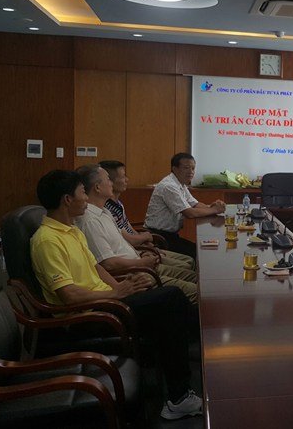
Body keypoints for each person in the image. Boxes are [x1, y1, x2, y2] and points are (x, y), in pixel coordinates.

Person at [30, 170, 202, 420]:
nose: (86, 198)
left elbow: (96, 268)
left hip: (108, 302)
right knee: (171, 298)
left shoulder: (71, 230)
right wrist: (116, 293)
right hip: (87, 316)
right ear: (67, 199)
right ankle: (180, 396)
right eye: (82, 193)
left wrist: (124, 286)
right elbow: (69, 296)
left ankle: (185, 378)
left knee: (170, 303)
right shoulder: (47, 241)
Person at [75, 164, 198, 304]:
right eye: (108, 179)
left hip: (141, 263)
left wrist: (142, 253)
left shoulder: (104, 212)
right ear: (97, 187)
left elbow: (123, 241)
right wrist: (141, 262)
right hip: (134, 275)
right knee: (198, 292)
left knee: (197, 278)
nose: (111, 183)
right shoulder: (90, 221)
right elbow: (108, 264)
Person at [99, 160, 195, 270]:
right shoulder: (107, 209)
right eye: (123, 176)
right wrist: (146, 239)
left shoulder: (118, 204)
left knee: (190, 261)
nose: (127, 180)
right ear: (110, 181)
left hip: (140, 246)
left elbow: (130, 229)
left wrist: (146, 242)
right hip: (135, 252)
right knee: (188, 264)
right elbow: (127, 239)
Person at [144, 153, 226, 257]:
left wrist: (212, 206)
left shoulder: (180, 184)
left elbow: (194, 204)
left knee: (201, 250)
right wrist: (214, 210)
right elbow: (189, 213)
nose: (191, 171)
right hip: (158, 238)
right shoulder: (169, 186)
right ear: (175, 169)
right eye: (186, 168)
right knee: (199, 253)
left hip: (169, 236)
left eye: (193, 168)